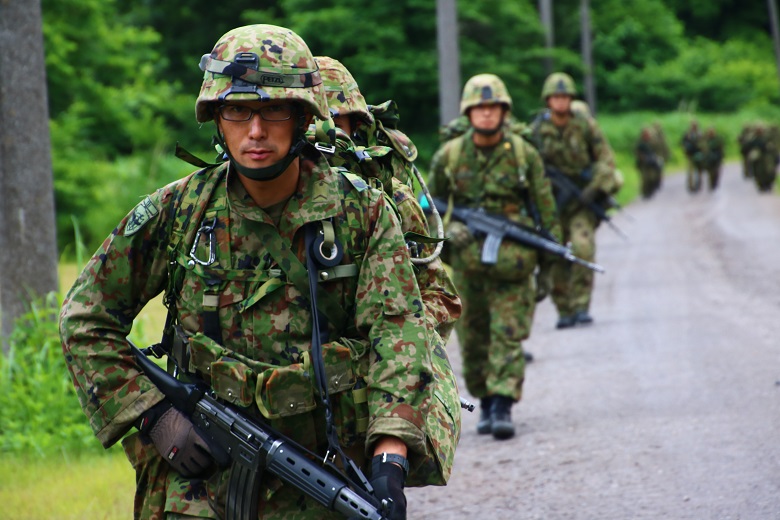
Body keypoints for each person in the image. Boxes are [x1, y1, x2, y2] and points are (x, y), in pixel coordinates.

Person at [60, 24, 438, 520]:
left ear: (303, 117)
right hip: (198, 480)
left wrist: (390, 457)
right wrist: (153, 415)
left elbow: (399, 334)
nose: (255, 131)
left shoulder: (360, 213)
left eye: (274, 110)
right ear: (217, 118)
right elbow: (85, 318)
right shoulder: (180, 210)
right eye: (237, 111)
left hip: (322, 471)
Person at [311, 55, 463, 482]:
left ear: (356, 126)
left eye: (334, 120)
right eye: (313, 120)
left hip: (365, 400)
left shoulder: (387, 199)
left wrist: (392, 343)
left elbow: (440, 295)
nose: (323, 133)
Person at [429, 73, 561, 440]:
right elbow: (425, 205)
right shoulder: (450, 155)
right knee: (473, 342)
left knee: (507, 336)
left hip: (513, 266)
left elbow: (546, 213)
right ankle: (485, 401)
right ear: (468, 113)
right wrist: (448, 229)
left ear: (504, 111)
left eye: (493, 107)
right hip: (467, 265)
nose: (486, 113)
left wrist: (549, 268)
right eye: (479, 107)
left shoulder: (523, 155)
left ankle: (502, 404)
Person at [530, 72, 620, 329]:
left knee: (582, 247)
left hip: (581, 200)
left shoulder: (586, 125)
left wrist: (594, 188)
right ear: (548, 100)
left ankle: (581, 306)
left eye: (565, 96)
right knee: (555, 252)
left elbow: (606, 159)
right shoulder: (537, 130)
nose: (560, 101)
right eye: (556, 97)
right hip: (551, 203)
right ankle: (564, 309)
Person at [635, 127, 663, 199]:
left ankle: (651, 189)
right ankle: (645, 192)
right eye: (645, 134)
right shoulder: (640, 143)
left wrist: (655, 158)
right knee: (645, 178)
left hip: (652, 162)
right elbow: (637, 152)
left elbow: (657, 150)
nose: (647, 136)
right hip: (643, 163)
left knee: (653, 177)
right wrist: (643, 158)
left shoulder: (652, 142)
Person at [681, 120, 705, 193]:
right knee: (690, 172)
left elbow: (704, 144)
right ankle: (691, 186)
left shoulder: (700, 134)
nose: (694, 127)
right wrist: (686, 149)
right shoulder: (687, 134)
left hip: (699, 155)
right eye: (693, 125)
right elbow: (683, 143)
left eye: (695, 125)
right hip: (690, 155)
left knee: (699, 171)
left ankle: (699, 185)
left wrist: (702, 151)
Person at [701, 127, 724, 191]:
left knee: (716, 172)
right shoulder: (706, 140)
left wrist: (721, 157)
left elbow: (721, 149)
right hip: (709, 159)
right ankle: (711, 184)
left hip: (716, 158)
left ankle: (714, 183)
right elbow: (703, 149)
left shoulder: (717, 139)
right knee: (710, 172)